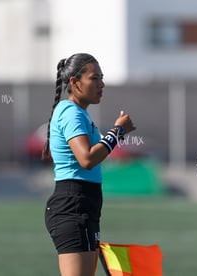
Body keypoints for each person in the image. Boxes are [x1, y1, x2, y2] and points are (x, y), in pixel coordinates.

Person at [42, 53, 136, 276]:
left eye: (102, 78)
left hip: (85, 205)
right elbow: (87, 159)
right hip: (73, 205)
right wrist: (118, 131)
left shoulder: (80, 113)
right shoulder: (70, 112)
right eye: (94, 78)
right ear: (75, 82)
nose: (101, 84)